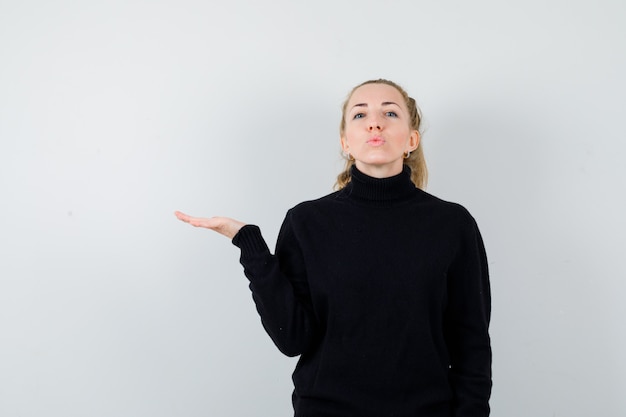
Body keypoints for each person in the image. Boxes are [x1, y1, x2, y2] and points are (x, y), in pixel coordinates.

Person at [175, 79, 492, 417]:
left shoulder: (452, 224)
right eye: (360, 115)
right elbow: (292, 338)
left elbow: (471, 345)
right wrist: (248, 243)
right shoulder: (306, 222)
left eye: (390, 112)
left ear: (411, 139)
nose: (375, 122)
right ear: (345, 142)